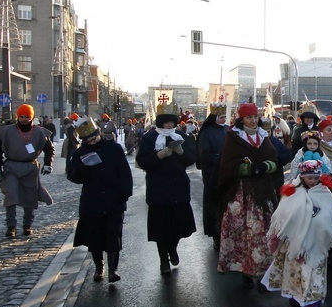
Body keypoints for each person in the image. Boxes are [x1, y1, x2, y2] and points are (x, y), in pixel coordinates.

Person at [262, 159, 332, 307]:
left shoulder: (324, 191)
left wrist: (327, 228)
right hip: (295, 243)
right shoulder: (293, 192)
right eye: (309, 178)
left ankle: (314, 305)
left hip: (317, 241)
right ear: (302, 176)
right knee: (296, 271)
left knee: (315, 273)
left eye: (315, 177)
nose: (313, 181)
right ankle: (295, 295)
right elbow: (284, 213)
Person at [217, 103, 283, 289]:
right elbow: (227, 165)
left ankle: (265, 273)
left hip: (264, 191)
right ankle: (245, 269)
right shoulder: (234, 138)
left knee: (264, 233)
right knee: (243, 231)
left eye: (255, 117)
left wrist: (265, 166)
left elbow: (275, 161)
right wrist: (247, 169)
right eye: (249, 118)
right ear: (242, 119)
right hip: (242, 193)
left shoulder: (264, 137)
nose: (253, 121)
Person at [68, 116, 133, 283]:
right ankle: (99, 266)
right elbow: (73, 176)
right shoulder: (81, 153)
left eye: (94, 138)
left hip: (114, 200)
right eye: (88, 140)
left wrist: (124, 193)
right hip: (92, 200)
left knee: (113, 235)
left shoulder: (114, 148)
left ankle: (113, 270)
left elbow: (125, 173)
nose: (92, 142)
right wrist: (83, 168)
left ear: (99, 133)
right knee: (94, 236)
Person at [135, 108, 197, 275]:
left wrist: (181, 153)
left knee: (178, 225)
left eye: (171, 123)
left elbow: (192, 159)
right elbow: (142, 160)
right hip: (159, 188)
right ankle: (163, 259)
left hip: (178, 188)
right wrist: (160, 155)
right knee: (161, 227)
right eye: (166, 123)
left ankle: (173, 248)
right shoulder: (150, 138)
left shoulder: (182, 137)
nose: (169, 125)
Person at [0, 104, 55, 237]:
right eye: (21, 116)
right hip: (11, 167)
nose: (23, 119)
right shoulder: (7, 131)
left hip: (30, 167)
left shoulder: (39, 132)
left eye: (26, 117)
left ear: (31, 117)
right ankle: (11, 226)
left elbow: (49, 149)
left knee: (29, 197)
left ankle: (27, 224)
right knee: (11, 195)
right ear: (17, 116)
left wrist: (47, 164)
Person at [197, 102, 228, 250]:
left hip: (228, 175)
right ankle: (216, 235)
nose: (223, 120)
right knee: (214, 207)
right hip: (212, 177)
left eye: (224, 117)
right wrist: (220, 158)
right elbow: (204, 156)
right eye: (221, 117)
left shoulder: (228, 130)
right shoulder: (206, 133)